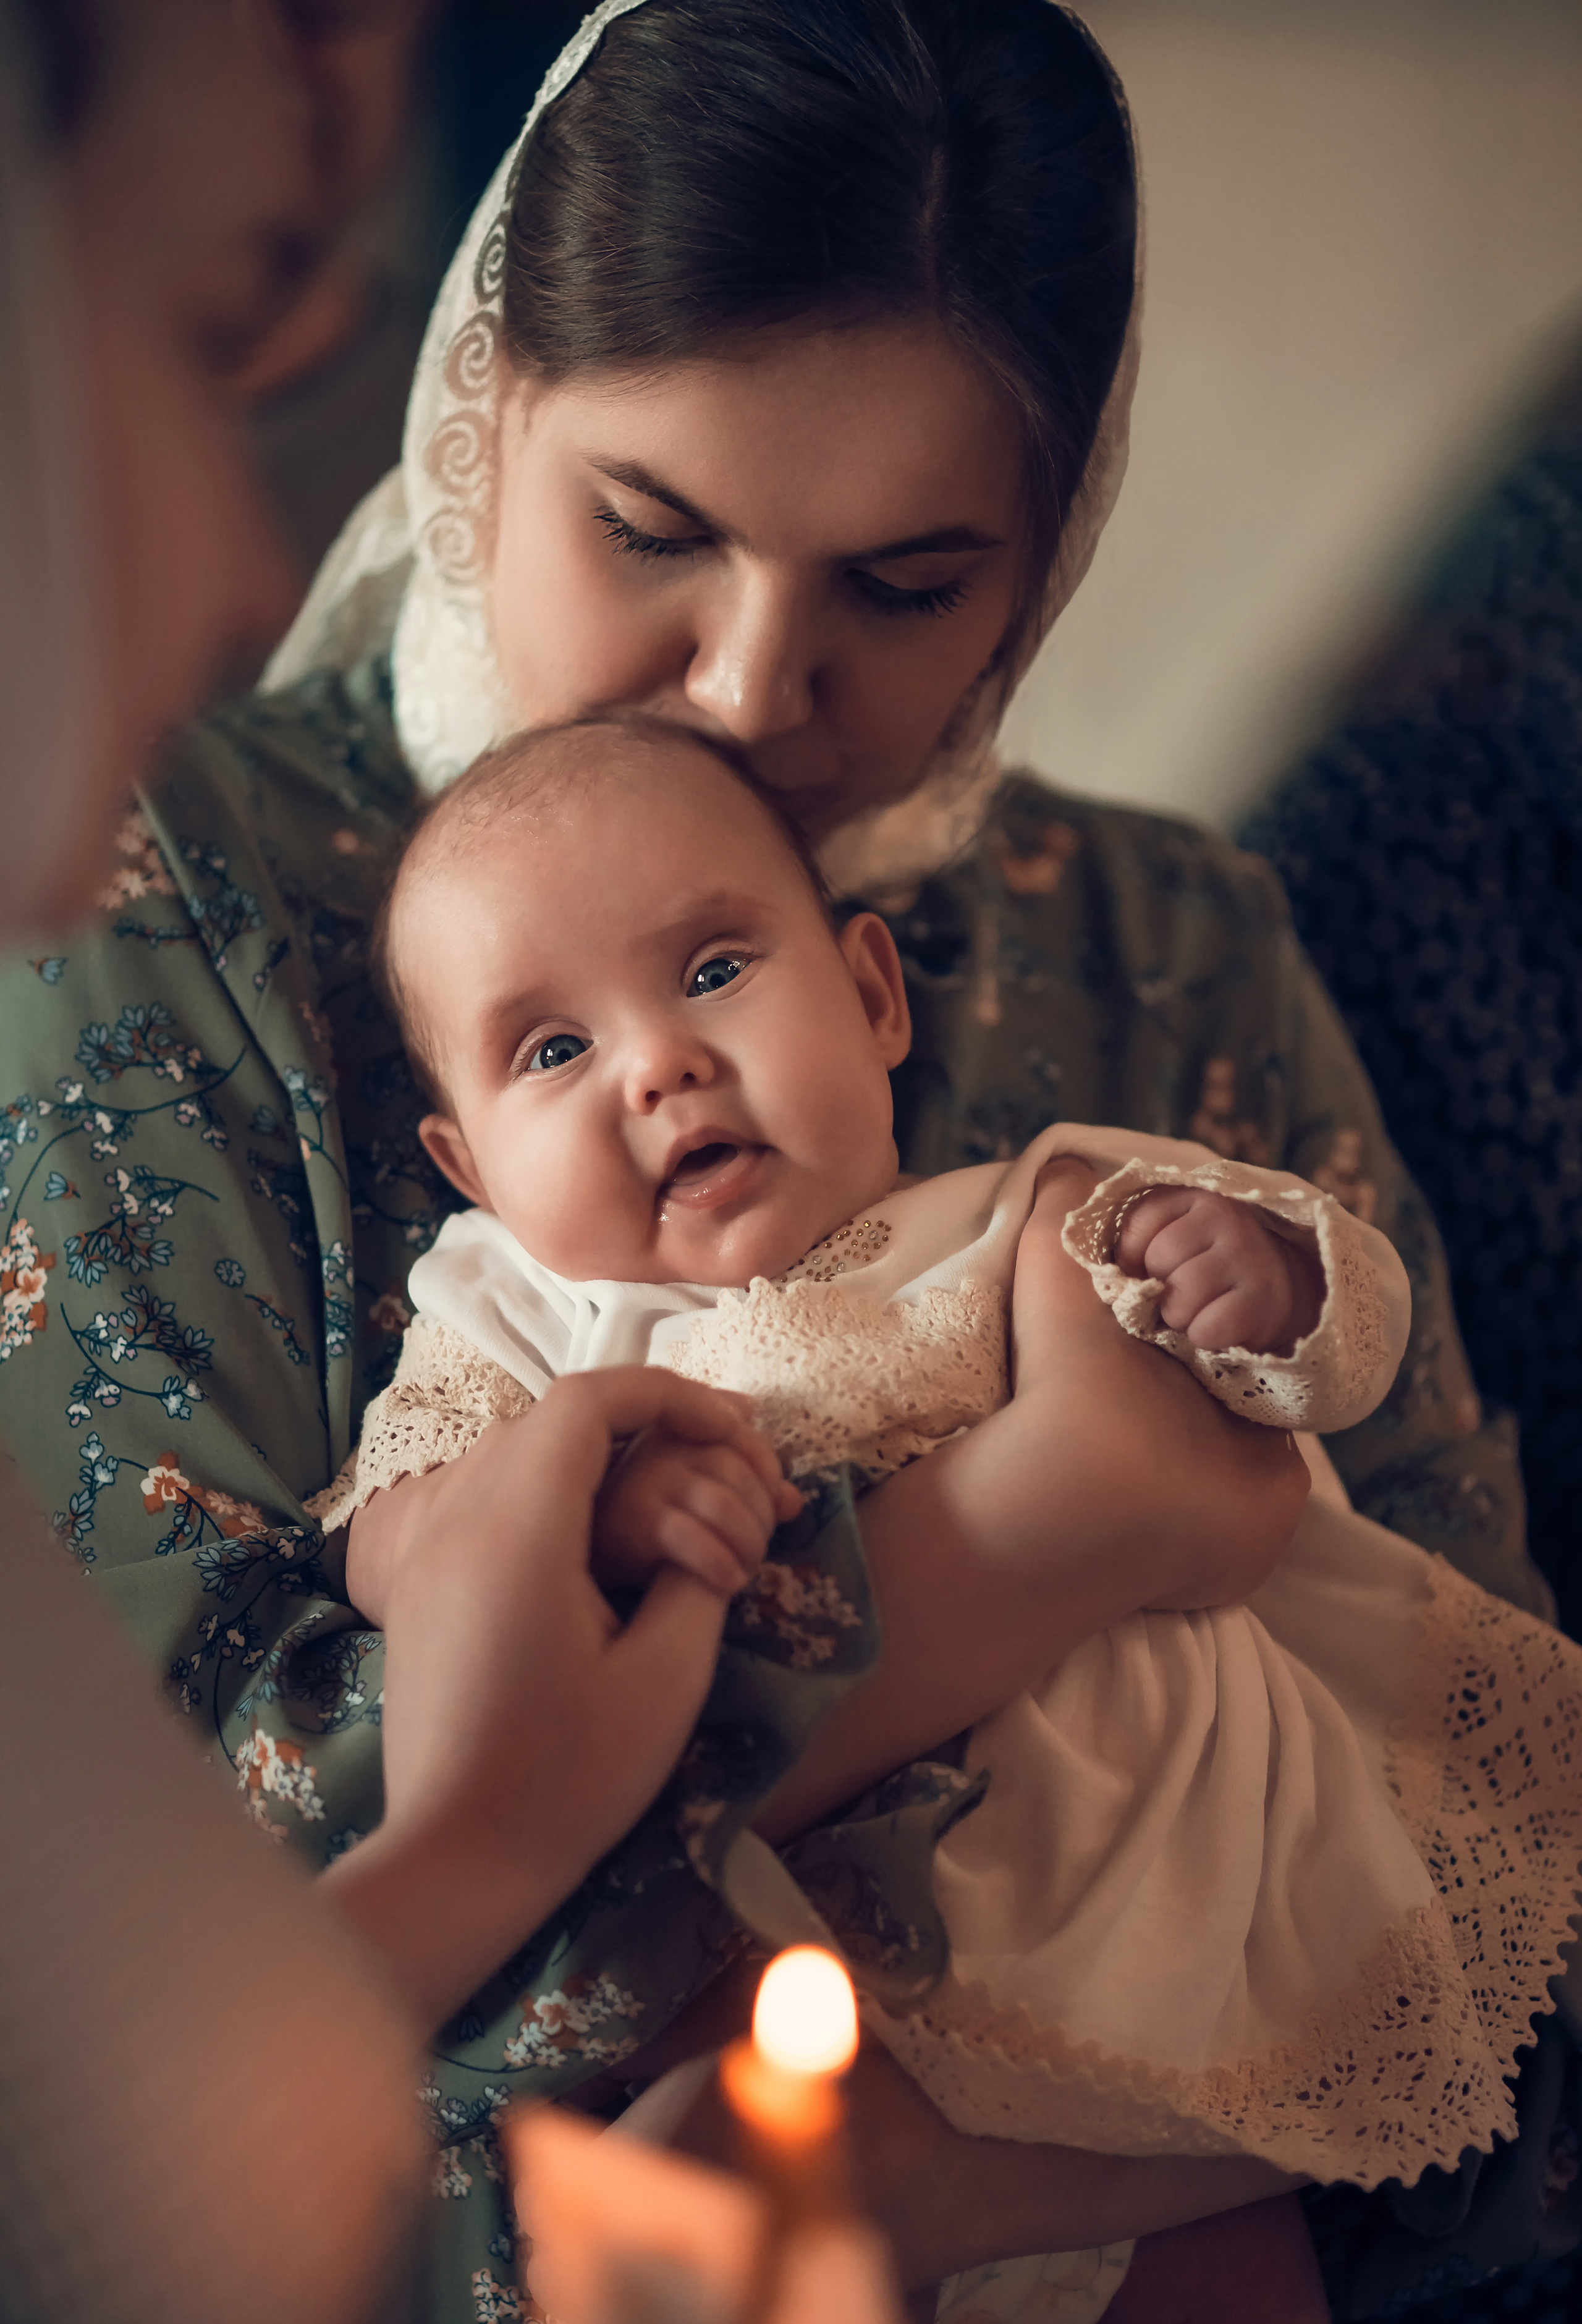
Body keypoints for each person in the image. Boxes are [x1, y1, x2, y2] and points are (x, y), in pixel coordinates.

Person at [0, 0, 1569, 2314]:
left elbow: (1480, 1804)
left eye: (907, 586)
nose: (748, 685)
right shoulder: (140, 898)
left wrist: (1069, 2166)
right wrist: (1034, 1537)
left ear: (1040, 568)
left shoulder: (1158, 949)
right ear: (485, 408)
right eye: (653, 528)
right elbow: (186, 1914)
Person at [325, 711, 1582, 2320]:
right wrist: (589, 1480)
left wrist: (1258, 1278)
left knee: (1211, 2273)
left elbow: (1330, 1343)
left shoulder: (1016, 1213)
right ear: (471, 1168)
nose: (659, 1062)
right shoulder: (511, 1322)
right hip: (802, 1961)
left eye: (715, 969)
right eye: (552, 1050)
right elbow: (392, 1533)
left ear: (869, 996)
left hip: (1146, 1892)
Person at [0, 2, 774, 2318]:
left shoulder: (1155, 969)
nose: (255, 571)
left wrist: (483, 1835)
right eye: (209, 333)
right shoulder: (175, 959)